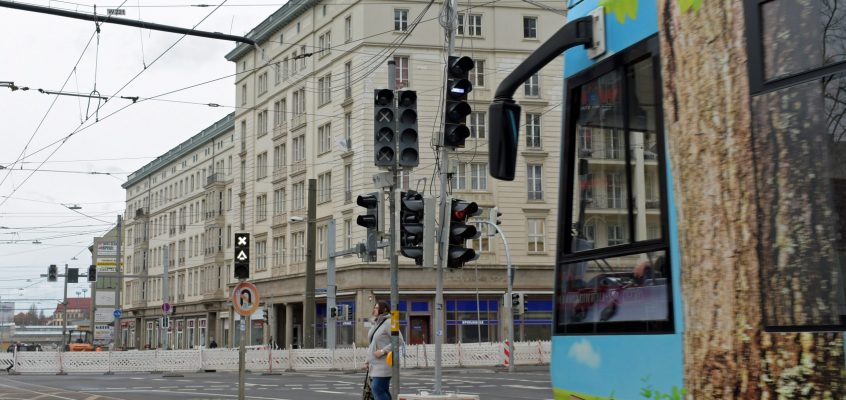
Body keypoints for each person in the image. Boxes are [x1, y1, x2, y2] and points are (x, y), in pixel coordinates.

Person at [366, 301, 395, 400]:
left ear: (385, 309)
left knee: (377, 389)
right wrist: (367, 361)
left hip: (384, 364)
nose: (374, 309)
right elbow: (372, 344)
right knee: (383, 390)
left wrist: (383, 351)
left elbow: (399, 340)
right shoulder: (375, 323)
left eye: (377, 307)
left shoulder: (389, 322)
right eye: (374, 307)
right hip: (375, 364)